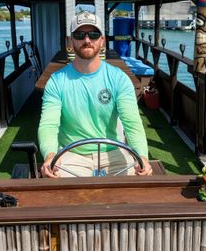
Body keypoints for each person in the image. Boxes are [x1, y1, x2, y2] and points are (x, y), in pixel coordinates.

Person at [38, 11, 152, 178]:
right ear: (70, 41)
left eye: (93, 34)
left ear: (102, 40)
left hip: (113, 151)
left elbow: (132, 123)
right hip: (72, 154)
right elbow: (48, 125)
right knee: (59, 187)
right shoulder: (56, 81)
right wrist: (49, 156)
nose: (87, 40)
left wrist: (142, 156)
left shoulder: (119, 79)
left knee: (137, 184)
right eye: (79, 35)